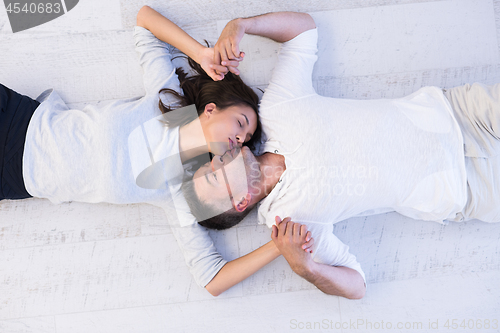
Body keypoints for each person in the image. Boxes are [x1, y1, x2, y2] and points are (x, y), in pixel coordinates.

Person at [182, 11, 500, 298]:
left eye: (207, 162)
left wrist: (242, 25)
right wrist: (307, 268)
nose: (215, 159)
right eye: (213, 175)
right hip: (466, 191)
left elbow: (302, 32)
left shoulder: (277, 111)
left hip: (459, 113)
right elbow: (357, 285)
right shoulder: (292, 224)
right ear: (240, 202)